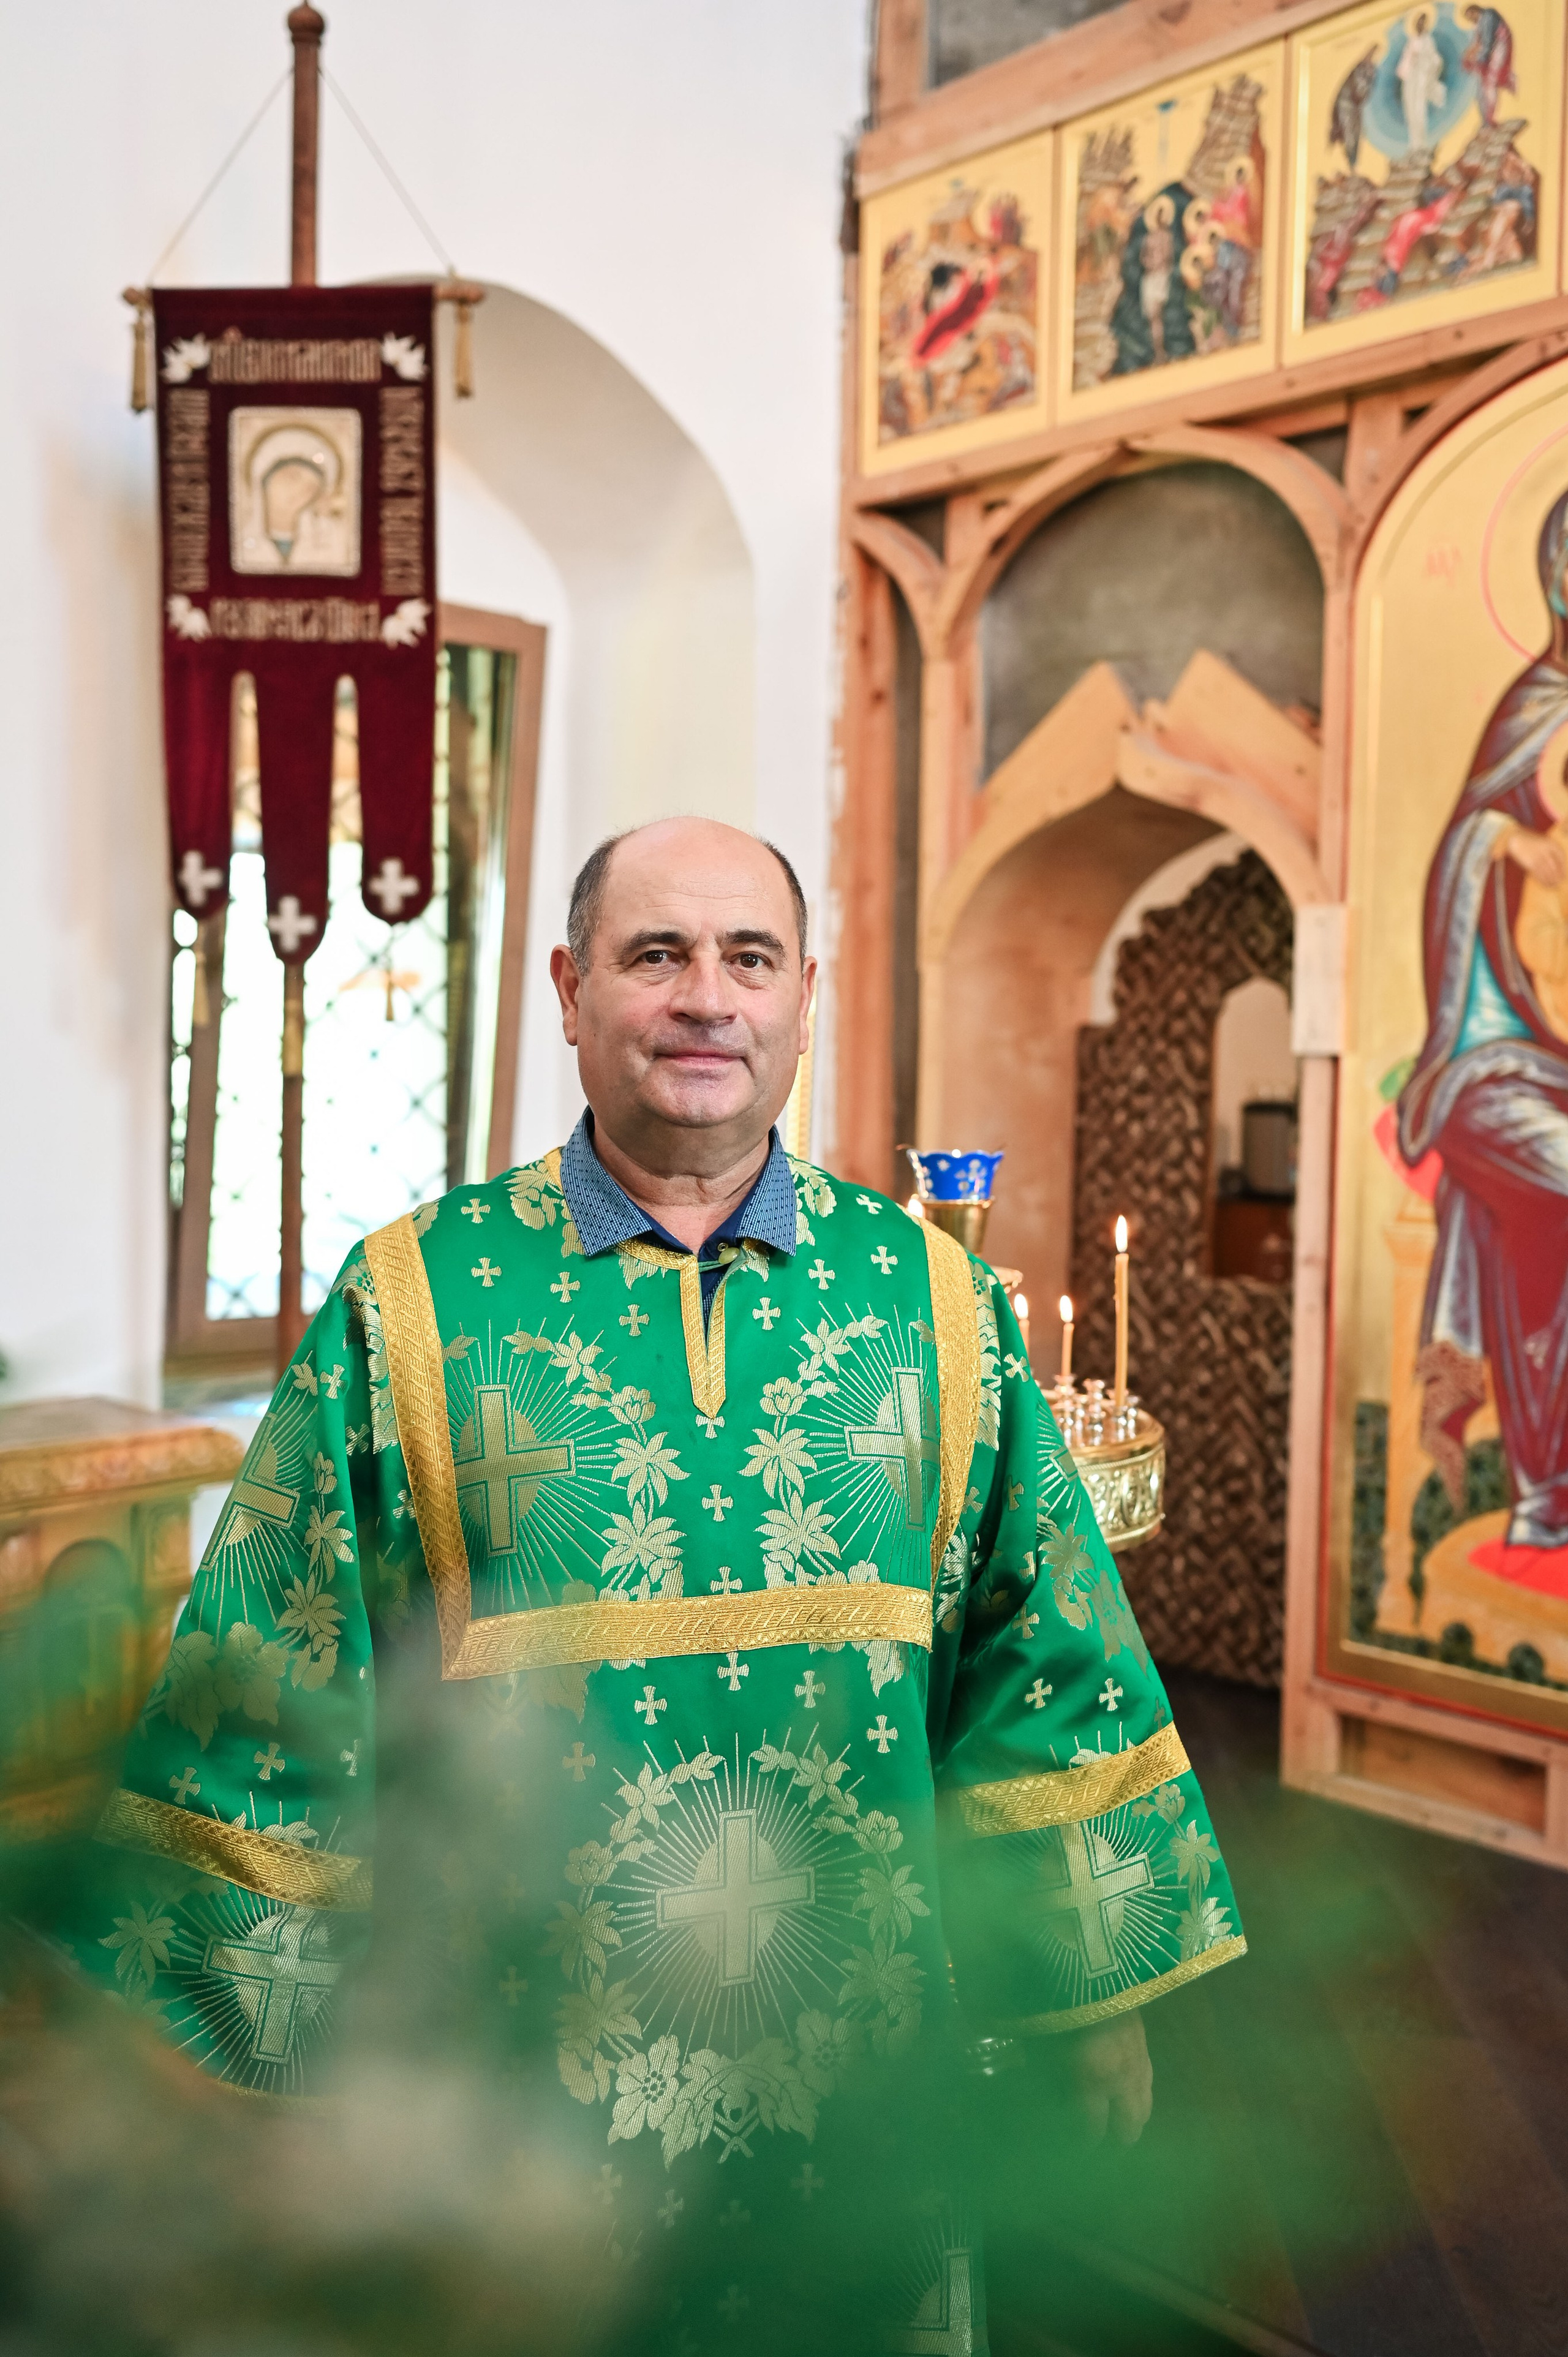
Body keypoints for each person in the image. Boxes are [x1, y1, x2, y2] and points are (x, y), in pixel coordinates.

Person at [63, 819, 1244, 2350]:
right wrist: (243, 2062)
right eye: (656, 954)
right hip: (505, 2102)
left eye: (749, 957)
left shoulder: (934, 1304)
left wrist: (1088, 1997)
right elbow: (268, 1693)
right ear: (570, 991)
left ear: (804, 993)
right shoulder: (413, 1301)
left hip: (865, 2074)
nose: (706, 997)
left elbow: (1042, 1665)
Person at [1399, 496, 1568, 1588]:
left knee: (1545, 1239)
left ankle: (1548, 1500)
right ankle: (1546, 1491)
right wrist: (1503, 838)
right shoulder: (1536, 708)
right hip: (1489, 1065)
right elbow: (1459, 848)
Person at [1397, 12, 1446, 153]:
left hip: (1421, 77)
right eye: (1418, 22)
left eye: (1423, 22)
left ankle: (1422, 144)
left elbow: (1434, 59)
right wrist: (1411, 60)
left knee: (1419, 110)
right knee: (1410, 110)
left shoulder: (1428, 41)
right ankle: (1414, 143)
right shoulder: (1411, 41)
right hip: (1410, 78)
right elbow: (1405, 60)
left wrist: (1422, 60)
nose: (1420, 25)